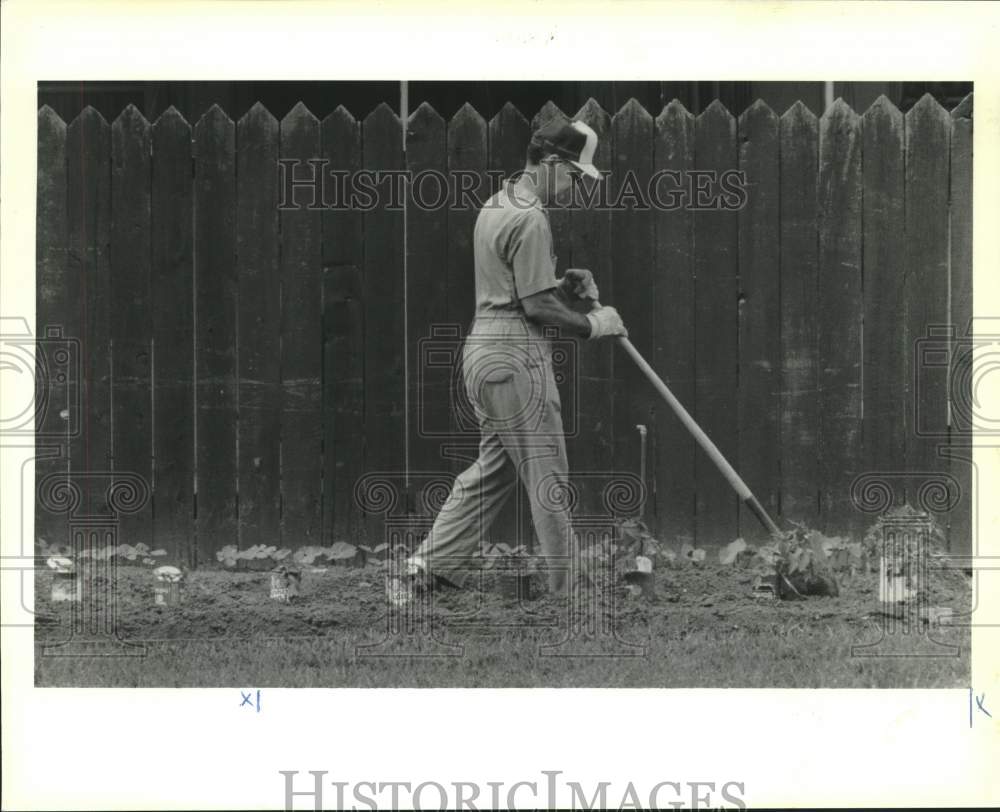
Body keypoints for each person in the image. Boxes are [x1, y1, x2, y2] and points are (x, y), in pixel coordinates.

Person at [387, 119, 628, 606]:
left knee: (493, 470)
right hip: (516, 357)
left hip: (484, 351)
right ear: (555, 165)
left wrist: (561, 288)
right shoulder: (532, 218)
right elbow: (535, 309)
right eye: (576, 177)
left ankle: (425, 569)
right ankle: (570, 596)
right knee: (548, 474)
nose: (576, 189)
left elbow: (519, 293)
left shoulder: (498, 204)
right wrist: (595, 323)